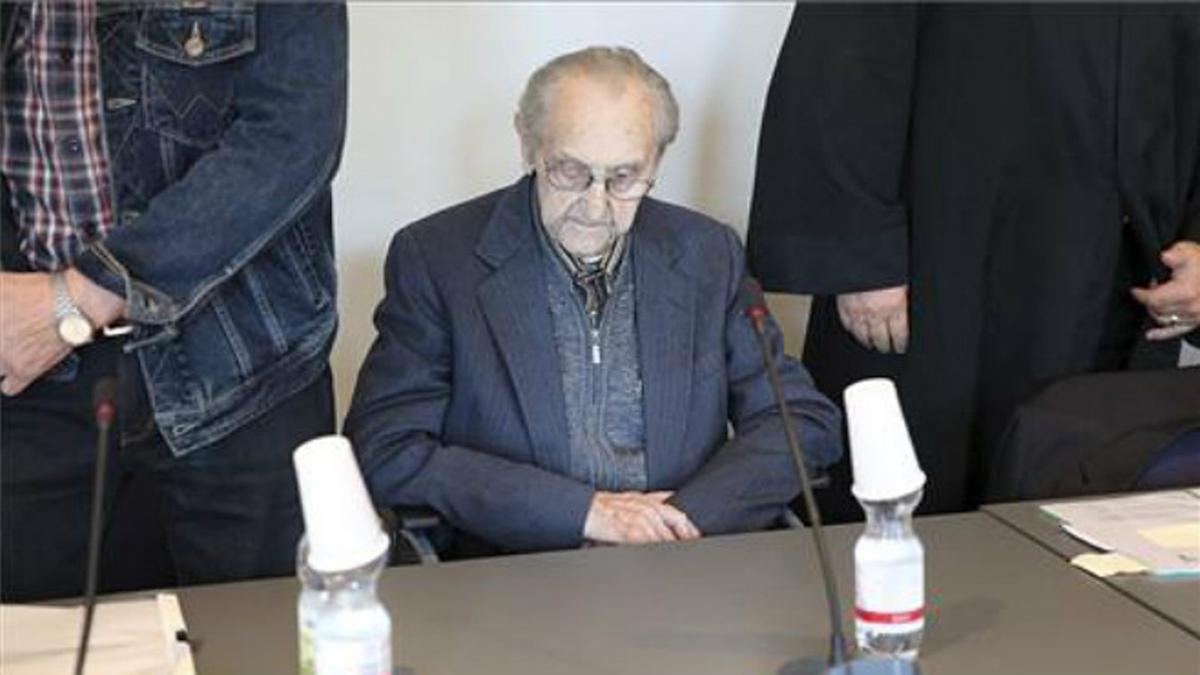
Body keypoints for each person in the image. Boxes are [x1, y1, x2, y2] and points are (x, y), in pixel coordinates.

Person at [345, 46, 841, 556]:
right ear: (529, 145)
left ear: (658, 161)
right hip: (515, 570)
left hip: (684, 563)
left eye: (624, 177)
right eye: (569, 172)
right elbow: (387, 449)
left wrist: (678, 521)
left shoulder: (707, 253)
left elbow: (799, 420)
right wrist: (585, 513)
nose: (596, 205)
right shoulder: (438, 259)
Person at [746, 3, 1200, 522]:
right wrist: (860, 256)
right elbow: (845, 56)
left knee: (1077, 504)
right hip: (936, 257)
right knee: (906, 493)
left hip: (1110, 274)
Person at [0, 2, 347, 601]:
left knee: (259, 643)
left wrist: (84, 294)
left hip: (240, 367)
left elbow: (292, 134)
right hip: (32, 377)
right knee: (43, 646)